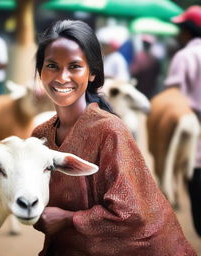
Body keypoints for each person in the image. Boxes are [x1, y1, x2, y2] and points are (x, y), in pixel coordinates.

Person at [31, 20, 196, 255]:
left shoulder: (110, 131)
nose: (62, 77)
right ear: (41, 71)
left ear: (92, 74)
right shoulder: (40, 136)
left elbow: (131, 214)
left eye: (75, 66)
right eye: (52, 66)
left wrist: (68, 218)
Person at [164, 5, 201, 237]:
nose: (178, 34)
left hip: (195, 147)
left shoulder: (185, 56)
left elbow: (173, 97)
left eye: (181, 29)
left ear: (188, 31)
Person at [130, 34, 162, 99]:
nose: (145, 45)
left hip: (149, 88)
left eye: (146, 43)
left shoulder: (153, 58)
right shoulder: (140, 56)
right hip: (141, 88)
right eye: (144, 43)